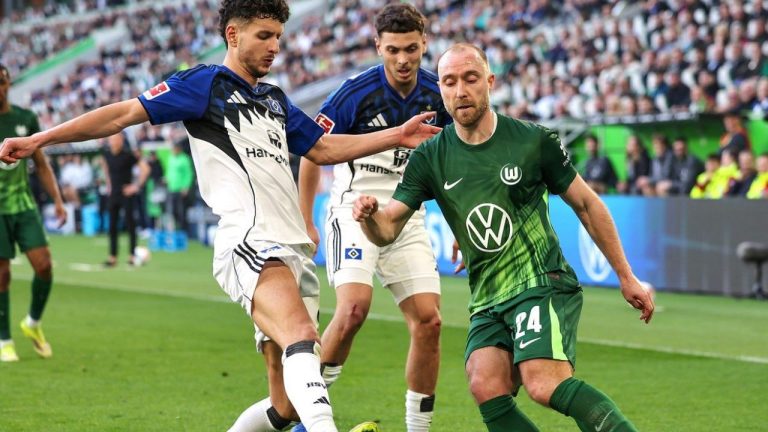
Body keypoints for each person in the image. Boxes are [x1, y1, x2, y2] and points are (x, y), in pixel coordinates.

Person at [0, 1, 438, 430]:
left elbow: (323, 149)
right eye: (264, 36)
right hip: (250, 240)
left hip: (294, 250)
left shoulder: (275, 99)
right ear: (233, 34)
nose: (274, 47)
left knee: (284, 408)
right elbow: (123, 115)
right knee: (303, 334)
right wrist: (42, 138)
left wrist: (396, 135)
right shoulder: (205, 85)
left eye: (278, 37)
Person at [352, 43, 654, 432]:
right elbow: (388, 227)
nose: (460, 90)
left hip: (539, 282)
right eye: (449, 82)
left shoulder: (532, 141)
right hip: (488, 296)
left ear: (490, 82)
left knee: (543, 383)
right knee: (484, 383)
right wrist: (369, 217)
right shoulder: (430, 156)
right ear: (440, 90)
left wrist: (626, 276)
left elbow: (587, 205)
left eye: (470, 78)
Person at [291, 4, 450, 431]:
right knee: (354, 310)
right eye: (393, 49)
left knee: (430, 321)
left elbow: (459, 162)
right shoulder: (353, 94)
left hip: (406, 217)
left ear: (425, 44)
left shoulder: (439, 96)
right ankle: (308, 419)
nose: (403, 60)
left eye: (412, 49)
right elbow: (311, 151)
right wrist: (307, 218)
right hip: (351, 210)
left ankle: (418, 429)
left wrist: (460, 224)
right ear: (378, 45)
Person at [0, 64, 67, 362]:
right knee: (1, 275)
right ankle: (4, 340)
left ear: (8, 83)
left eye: (1, 82)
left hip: (23, 206)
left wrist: (58, 199)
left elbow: (40, 164)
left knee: (44, 266)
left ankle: (33, 323)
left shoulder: (25, 119)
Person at [100, 133, 150, 267]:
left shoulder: (128, 155)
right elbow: (105, 168)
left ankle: (132, 256)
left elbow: (145, 169)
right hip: (113, 193)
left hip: (126, 193)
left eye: (116, 139)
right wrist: (109, 185)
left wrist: (136, 186)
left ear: (121, 140)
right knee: (112, 226)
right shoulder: (107, 155)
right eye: (112, 139)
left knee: (130, 224)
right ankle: (112, 257)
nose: (114, 142)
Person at [165, 141, 194, 232]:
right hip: (171, 188)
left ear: (178, 149)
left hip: (180, 189)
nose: (172, 150)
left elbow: (189, 174)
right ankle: (176, 230)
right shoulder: (171, 157)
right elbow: (169, 170)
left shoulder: (184, 159)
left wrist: (186, 187)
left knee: (181, 212)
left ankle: (184, 231)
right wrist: (167, 178)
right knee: (172, 211)